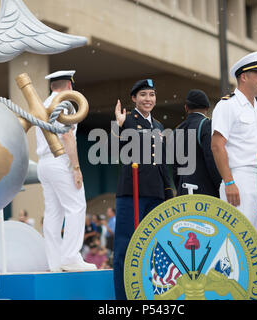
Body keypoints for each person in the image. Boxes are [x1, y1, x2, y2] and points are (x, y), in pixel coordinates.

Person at [113, 79, 174, 300]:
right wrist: (118, 126)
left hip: (156, 193)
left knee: (153, 248)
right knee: (125, 248)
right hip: (133, 191)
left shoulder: (157, 126)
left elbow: (162, 163)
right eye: (143, 95)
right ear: (134, 98)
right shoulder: (126, 120)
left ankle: (148, 294)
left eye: (152, 95)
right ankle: (123, 298)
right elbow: (115, 151)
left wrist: (168, 192)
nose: (148, 99)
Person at [36, 70, 96, 272]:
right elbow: (68, 136)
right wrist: (76, 168)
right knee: (76, 206)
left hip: (44, 162)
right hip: (60, 160)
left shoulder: (43, 104)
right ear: (70, 85)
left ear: (52, 86)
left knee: (53, 212)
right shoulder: (66, 103)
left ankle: (55, 262)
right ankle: (70, 257)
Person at [211, 51, 257, 236]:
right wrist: (229, 182)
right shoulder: (227, 105)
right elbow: (217, 145)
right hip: (240, 179)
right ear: (244, 77)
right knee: (238, 240)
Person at [173, 89, 221, 196]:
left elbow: (175, 167)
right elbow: (212, 161)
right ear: (207, 108)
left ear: (186, 108)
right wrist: (220, 186)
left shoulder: (177, 130)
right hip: (205, 193)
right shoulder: (207, 125)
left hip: (183, 191)